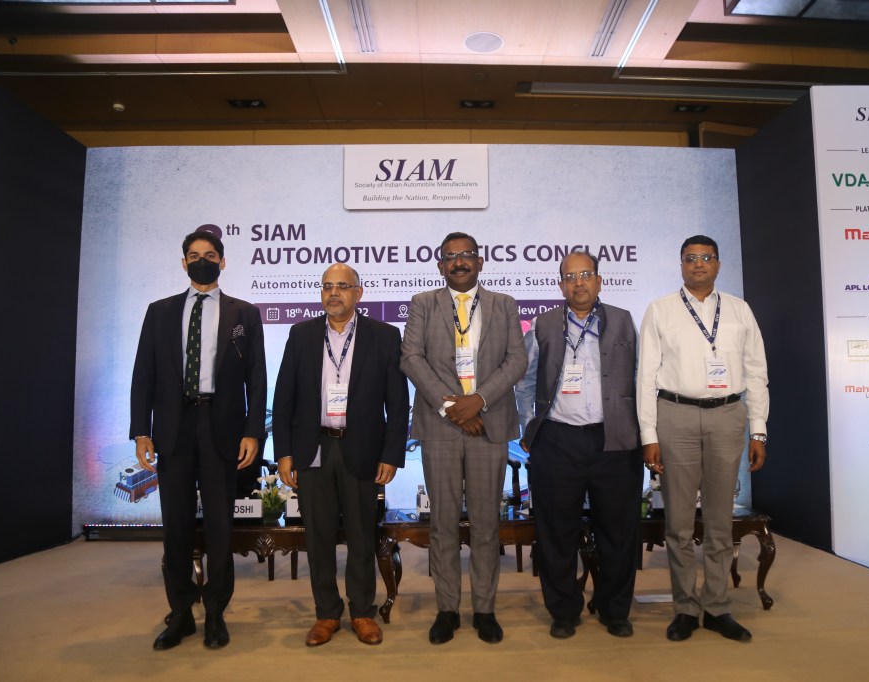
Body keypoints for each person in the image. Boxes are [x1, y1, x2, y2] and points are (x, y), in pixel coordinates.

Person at [130, 230, 267, 650]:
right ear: (183, 263)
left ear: (222, 262)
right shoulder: (159, 312)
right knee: (176, 527)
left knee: (221, 527)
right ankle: (181, 613)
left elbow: (257, 379)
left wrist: (253, 431)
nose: (201, 261)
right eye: (193, 255)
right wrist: (141, 431)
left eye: (209, 255)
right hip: (173, 429)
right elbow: (143, 375)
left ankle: (216, 614)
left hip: (221, 428)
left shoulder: (244, 313)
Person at [637, 234, 768, 643]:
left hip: (728, 416)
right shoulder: (660, 310)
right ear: (681, 264)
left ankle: (717, 607)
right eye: (690, 258)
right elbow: (645, 376)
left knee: (719, 520)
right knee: (678, 523)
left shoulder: (740, 310)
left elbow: (757, 373)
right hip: (675, 415)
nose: (698, 264)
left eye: (706, 257)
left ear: (718, 264)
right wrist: (648, 434)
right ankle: (684, 609)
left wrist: (759, 429)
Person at [400, 231, 527, 644]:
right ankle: (448, 609)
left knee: (487, 524)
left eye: (467, 255)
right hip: (440, 426)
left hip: (489, 423)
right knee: (443, 524)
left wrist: (479, 401)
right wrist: (452, 407)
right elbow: (412, 358)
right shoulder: (423, 303)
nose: (459, 262)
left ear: (480, 262)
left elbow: (517, 360)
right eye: (451, 256)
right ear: (440, 265)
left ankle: (485, 610)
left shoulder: (504, 304)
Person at [273, 263, 409, 647]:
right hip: (313, 447)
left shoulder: (384, 335)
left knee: (362, 535)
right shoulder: (301, 334)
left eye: (342, 286)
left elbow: (398, 403)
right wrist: (283, 453)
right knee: (317, 538)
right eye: (327, 286)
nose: (334, 293)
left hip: (361, 447)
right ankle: (327, 613)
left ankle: (362, 612)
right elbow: (283, 399)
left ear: (358, 293)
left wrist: (391, 454)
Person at [518, 251, 643, 639]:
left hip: (615, 440)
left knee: (619, 532)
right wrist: (530, 430)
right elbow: (525, 382)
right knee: (557, 533)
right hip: (558, 440)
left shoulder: (623, 320)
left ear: (599, 280)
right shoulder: (542, 324)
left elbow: (640, 376)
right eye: (570, 277)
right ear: (561, 286)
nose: (579, 283)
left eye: (586, 274)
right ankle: (564, 610)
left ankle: (614, 609)